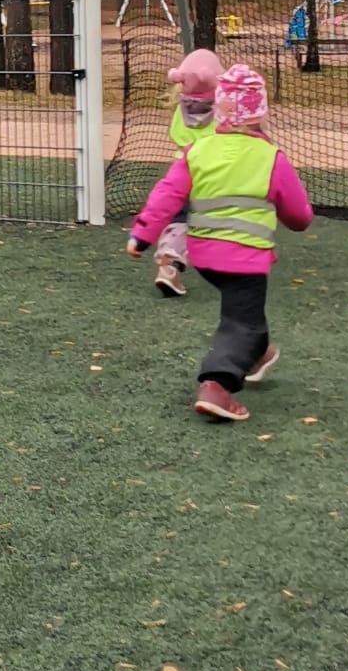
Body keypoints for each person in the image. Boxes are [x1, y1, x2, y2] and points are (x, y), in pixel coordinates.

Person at [126, 62, 313, 424]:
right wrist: (298, 219)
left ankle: (257, 353)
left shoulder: (197, 151)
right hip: (246, 259)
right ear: (260, 113)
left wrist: (142, 234)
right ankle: (215, 384)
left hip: (205, 258)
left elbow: (167, 194)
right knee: (242, 322)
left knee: (246, 315)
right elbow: (299, 215)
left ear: (218, 109)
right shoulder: (270, 158)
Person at [150, 47, 222, 298]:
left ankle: (168, 267)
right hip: (214, 174)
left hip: (181, 173)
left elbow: (176, 136)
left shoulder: (181, 112)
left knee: (178, 219)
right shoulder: (222, 112)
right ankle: (224, 262)